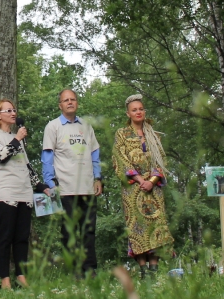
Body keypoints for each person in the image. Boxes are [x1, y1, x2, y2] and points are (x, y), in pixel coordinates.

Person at [112, 94, 174, 277]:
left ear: (144, 112)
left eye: (140, 109)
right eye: (134, 110)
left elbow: (161, 161)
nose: (138, 112)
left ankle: (154, 271)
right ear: (128, 113)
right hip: (133, 189)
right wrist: (140, 180)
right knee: (138, 228)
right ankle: (143, 271)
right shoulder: (122, 134)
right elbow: (119, 159)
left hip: (153, 190)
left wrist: (152, 181)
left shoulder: (153, 135)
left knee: (156, 228)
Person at [42, 88, 101, 276]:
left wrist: (98, 178)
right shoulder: (53, 126)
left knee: (88, 231)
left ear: (77, 102)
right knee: (69, 233)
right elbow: (47, 156)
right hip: (65, 188)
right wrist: (50, 183)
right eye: (65, 100)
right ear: (60, 105)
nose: (69, 102)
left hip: (87, 187)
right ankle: (74, 272)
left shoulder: (87, 126)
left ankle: (90, 271)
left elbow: (95, 154)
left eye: (73, 99)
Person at [0, 99, 39, 289]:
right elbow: (0, 157)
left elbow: (26, 166)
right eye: (8, 110)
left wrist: (41, 186)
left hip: (24, 192)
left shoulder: (19, 139)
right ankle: (4, 280)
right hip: (4, 193)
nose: (13, 113)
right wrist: (17, 139)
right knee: (5, 238)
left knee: (22, 238)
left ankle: (21, 276)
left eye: (14, 109)